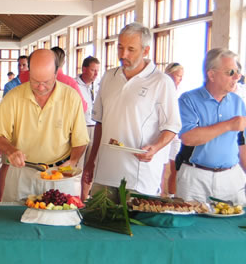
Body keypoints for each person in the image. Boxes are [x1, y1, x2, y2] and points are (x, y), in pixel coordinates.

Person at [0, 49, 89, 264]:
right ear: (27, 73)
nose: (41, 87)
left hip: (59, 175)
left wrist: (74, 159)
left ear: (57, 73)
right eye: (35, 81)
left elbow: (80, 139)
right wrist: (10, 149)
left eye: (46, 81)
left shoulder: (71, 97)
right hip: (23, 172)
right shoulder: (14, 96)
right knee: (12, 236)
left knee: (55, 241)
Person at [84, 23, 180, 196]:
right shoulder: (109, 77)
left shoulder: (161, 82)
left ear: (146, 50)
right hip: (104, 174)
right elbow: (100, 122)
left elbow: (172, 126)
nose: (123, 55)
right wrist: (91, 161)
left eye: (131, 49)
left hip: (139, 177)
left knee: (133, 222)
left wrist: (156, 147)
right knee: (97, 220)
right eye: (120, 47)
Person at [176, 48, 246, 206]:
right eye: (230, 72)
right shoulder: (188, 100)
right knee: (191, 226)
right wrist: (228, 125)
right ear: (211, 74)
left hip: (230, 177)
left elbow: (242, 143)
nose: (236, 77)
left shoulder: (237, 102)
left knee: (230, 226)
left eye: (237, 72)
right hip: (195, 177)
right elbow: (188, 137)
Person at [17, 47, 88, 112]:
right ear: (63, 62)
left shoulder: (29, 76)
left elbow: (22, 76)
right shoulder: (70, 82)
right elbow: (82, 107)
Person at [0, 54, 29, 201]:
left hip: (29, 132)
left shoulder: (35, 84)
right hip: (12, 131)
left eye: (24, 65)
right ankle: (2, 196)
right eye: (20, 65)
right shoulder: (10, 86)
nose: (22, 67)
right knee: (7, 164)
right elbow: (5, 110)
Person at [75, 56, 101, 199]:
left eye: (97, 70)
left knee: (90, 167)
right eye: (93, 70)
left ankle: (84, 198)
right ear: (84, 69)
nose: (96, 74)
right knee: (78, 167)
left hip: (95, 128)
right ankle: (75, 197)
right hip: (80, 128)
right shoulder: (74, 85)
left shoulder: (98, 86)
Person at [162, 62, 184, 195]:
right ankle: (158, 194)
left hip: (176, 134)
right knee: (162, 166)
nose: (179, 80)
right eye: (178, 76)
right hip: (163, 133)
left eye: (181, 77)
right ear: (169, 74)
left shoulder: (180, 92)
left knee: (175, 166)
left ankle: (171, 195)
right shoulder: (162, 88)